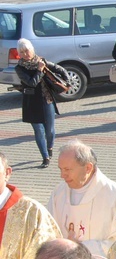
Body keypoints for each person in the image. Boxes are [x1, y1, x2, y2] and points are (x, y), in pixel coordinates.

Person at [47, 140, 116, 256]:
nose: (62, 175)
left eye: (67, 170)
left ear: (88, 168)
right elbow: (48, 231)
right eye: (61, 169)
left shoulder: (114, 195)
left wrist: (82, 248)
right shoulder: (58, 193)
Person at [14, 38, 67, 168]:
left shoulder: (41, 61)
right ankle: (45, 157)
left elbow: (58, 68)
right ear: (19, 54)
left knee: (49, 130)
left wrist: (66, 79)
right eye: (22, 52)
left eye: (27, 51)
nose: (26, 54)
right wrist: (39, 70)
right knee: (38, 130)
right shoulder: (19, 68)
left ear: (32, 50)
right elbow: (32, 82)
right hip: (31, 101)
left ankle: (50, 147)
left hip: (46, 99)